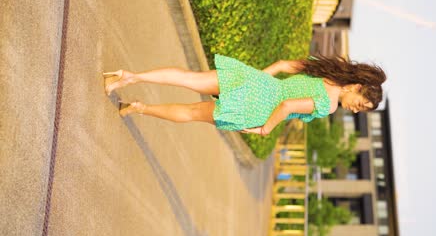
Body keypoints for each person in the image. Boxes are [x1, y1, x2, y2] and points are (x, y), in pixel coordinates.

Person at [102, 53, 386, 136]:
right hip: (258, 110)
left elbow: (284, 65)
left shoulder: (328, 71)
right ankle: (138, 108)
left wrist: (258, 79)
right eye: (360, 104)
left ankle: (129, 77)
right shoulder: (329, 105)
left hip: (257, 83)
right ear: (356, 87)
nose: (356, 110)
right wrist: (264, 130)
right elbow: (287, 106)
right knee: (191, 113)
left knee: (190, 79)